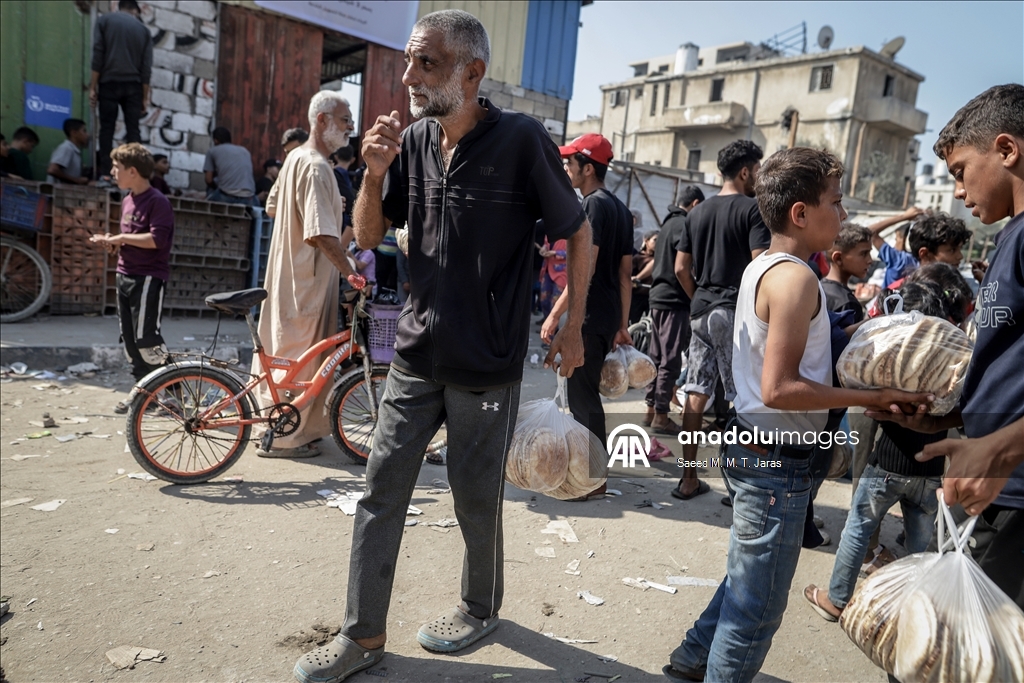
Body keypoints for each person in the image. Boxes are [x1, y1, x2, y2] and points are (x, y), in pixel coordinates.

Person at [293, 11, 591, 683]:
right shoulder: (417, 140)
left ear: (471, 72)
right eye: (409, 61)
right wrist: (372, 174)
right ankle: (362, 634)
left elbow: (580, 231)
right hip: (414, 352)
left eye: (426, 63)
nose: (408, 77)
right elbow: (368, 236)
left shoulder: (521, 140)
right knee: (379, 487)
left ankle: (479, 605)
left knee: (473, 496)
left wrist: (571, 322)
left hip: (486, 362)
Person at [664, 147, 931, 683]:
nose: (844, 215)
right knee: (756, 610)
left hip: (755, 448)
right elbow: (780, 388)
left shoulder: (765, 264)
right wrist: (873, 399)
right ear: (801, 213)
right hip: (773, 463)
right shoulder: (797, 279)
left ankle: (693, 657)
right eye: (836, 202)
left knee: (747, 581)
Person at [867, 83, 1024, 608]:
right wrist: (950, 419)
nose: (957, 189)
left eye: (960, 171)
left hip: (1009, 490)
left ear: (1007, 150)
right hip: (987, 480)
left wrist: (998, 447)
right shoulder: (1008, 238)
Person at [803, 281, 953, 621]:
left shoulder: (893, 359)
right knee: (921, 549)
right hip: (930, 471)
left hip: (886, 465)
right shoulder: (949, 362)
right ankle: (916, 612)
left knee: (857, 530)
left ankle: (837, 599)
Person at [251, 91, 364, 459]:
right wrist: (351, 271)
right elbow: (320, 232)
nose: (351, 128)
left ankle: (290, 431)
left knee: (283, 351)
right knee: (296, 358)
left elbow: (272, 208)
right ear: (322, 120)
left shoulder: (295, 159)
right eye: (345, 119)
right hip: (305, 282)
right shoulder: (316, 166)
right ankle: (284, 438)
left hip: (288, 274)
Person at [675, 139, 771, 500]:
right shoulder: (753, 209)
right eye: (757, 170)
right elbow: (760, 267)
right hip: (733, 312)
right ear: (745, 171)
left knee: (696, 392)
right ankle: (739, 485)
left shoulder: (695, 213)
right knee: (740, 396)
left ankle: (688, 478)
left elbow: (681, 267)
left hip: (700, 310)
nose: (758, 177)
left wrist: (699, 299)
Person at [542, 133, 633, 495]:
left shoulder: (592, 205)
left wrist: (555, 314)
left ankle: (593, 478)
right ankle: (593, 471)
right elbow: (625, 275)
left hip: (589, 313)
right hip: (607, 313)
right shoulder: (621, 209)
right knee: (584, 393)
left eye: (569, 163)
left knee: (582, 397)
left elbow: (586, 268)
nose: (565, 169)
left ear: (588, 168)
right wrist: (622, 324)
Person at [88, 143, 173, 409]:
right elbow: (133, 239)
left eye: (117, 167)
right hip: (124, 273)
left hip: (147, 277)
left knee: (147, 338)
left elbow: (157, 240)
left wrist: (121, 237)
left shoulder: (158, 201)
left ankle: (174, 392)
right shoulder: (127, 199)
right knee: (129, 339)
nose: (113, 172)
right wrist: (114, 243)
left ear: (133, 171)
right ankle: (143, 393)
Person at [644, 188, 701, 436]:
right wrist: (694, 295)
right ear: (695, 203)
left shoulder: (667, 223)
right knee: (669, 360)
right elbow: (682, 268)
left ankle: (650, 410)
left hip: (658, 298)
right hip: (673, 300)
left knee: (656, 357)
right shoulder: (682, 224)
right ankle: (660, 416)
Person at [90, 0, 152, 179]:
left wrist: (93, 87)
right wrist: (144, 98)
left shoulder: (105, 21)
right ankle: (136, 174)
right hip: (133, 86)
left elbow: (98, 54)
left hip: (109, 83)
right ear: (135, 11)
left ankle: (106, 175)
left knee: (107, 129)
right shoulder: (144, 31)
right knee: (133, 130)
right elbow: (146, 68)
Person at [822, 222, 872, 323]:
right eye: (863, 254)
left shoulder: (819, 287)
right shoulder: (847, 304)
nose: (870, 260)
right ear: (838, 258)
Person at [868, 206, 924, 288]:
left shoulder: (899, 259)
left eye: (896, 238)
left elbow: (870, 231)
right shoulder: (922, 261)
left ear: (904, 240)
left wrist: (904, 216)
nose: (894, 243)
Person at [203, 127, 256, 205]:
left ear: (215, 140)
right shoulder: (245, 151)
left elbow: (208, 180)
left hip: (226, 197)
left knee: (210, 188)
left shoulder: (212, 151)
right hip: (249, 198)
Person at [46, 119, 91, 185]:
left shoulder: (74, 150)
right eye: (84, 131)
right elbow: (52, 170)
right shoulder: (67, 148)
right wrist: (77, 180)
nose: (87, 135)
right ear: (73, 133)